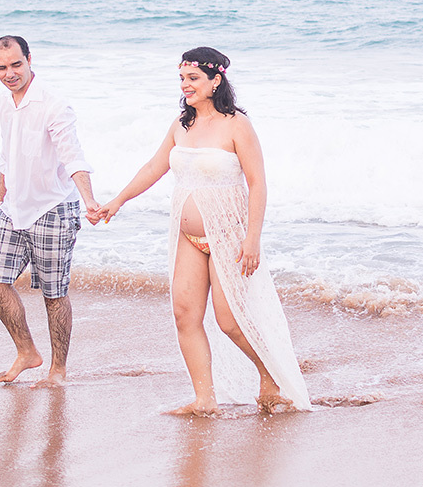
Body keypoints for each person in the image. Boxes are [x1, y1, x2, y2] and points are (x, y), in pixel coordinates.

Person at [95, 47, 311, 415]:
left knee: (229, 321)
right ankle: (204, 399)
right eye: (182, 79)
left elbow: (258, 184)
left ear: (216, 80)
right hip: (187, 238)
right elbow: (154, 166)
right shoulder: (182, 125)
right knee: (185, 315)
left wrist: (252, 238)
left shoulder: (236, 125)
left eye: (193, 78)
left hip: (228, 234)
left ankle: (269, 378)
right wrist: (118, 201)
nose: (186, 86)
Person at [0, 35, 100, 387]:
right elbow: (7, 154)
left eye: (16, 65)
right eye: (1, 68)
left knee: (54, 293)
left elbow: (73, 155)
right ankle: (27, 352)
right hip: (13, 208)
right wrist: (0, 198)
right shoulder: (4, 103)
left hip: (53, 209)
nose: (9, 74)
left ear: (30, 59)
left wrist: (90, 200)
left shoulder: (53, 105)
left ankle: (58, 370)